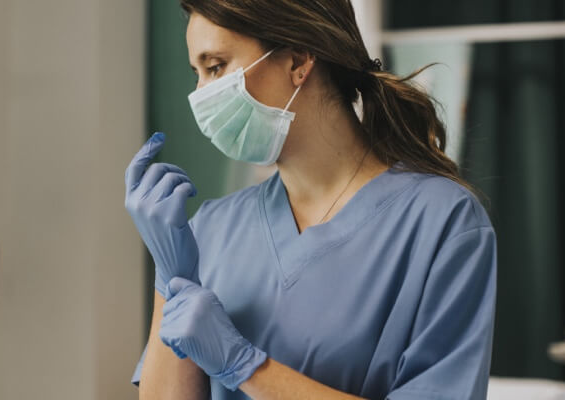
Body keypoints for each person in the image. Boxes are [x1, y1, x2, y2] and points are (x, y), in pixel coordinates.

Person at [123, 0, 497, 399]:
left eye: (215, 67)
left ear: (298, 60)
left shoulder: (441, 223)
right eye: (196, 74)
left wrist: (245, 365)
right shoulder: (209, 231)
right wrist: (171, 279)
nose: (200, 95)